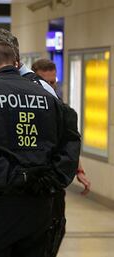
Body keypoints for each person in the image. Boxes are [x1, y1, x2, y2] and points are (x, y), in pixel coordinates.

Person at [0, 40, 81, 257]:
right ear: (17, 63)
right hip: (40, 202)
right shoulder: (47, 96)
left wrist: (10, 175)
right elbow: (71, 139)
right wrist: (54, 177)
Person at [31, 58, 91, 257]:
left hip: (53, 184)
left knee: (56, 229)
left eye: (53, 82)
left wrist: (79, 170)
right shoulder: (30, 108)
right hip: (30, 182)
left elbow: (69, 144)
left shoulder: (61, 110)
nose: (50, 86)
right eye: (45, 82)